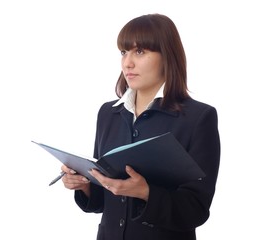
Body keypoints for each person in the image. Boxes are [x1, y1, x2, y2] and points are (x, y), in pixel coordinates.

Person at [61, 13, 220, 240]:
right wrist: (84, 185)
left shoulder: (198, 118)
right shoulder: (109, 113)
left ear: (167, 56)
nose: (128, 62)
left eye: (140, 51)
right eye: (124, 52)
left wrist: (146, 193)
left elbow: (196, 209)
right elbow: (102, 200)